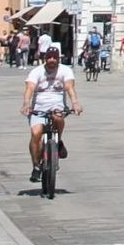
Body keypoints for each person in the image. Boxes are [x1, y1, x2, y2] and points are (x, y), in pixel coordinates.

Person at [22, 46, 79, 183]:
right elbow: (30, 88)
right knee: (36, 133)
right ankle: (36, 166)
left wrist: (75, 102)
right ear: (45, 58)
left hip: (57, 105)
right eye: (49, 57)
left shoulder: (65, 70)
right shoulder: (37, 71)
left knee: (57, 118)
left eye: (55, 57)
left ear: (59, 58)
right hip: (39, 107)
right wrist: (26, 103)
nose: (52, 60)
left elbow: (70, 87)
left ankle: (58, 141)